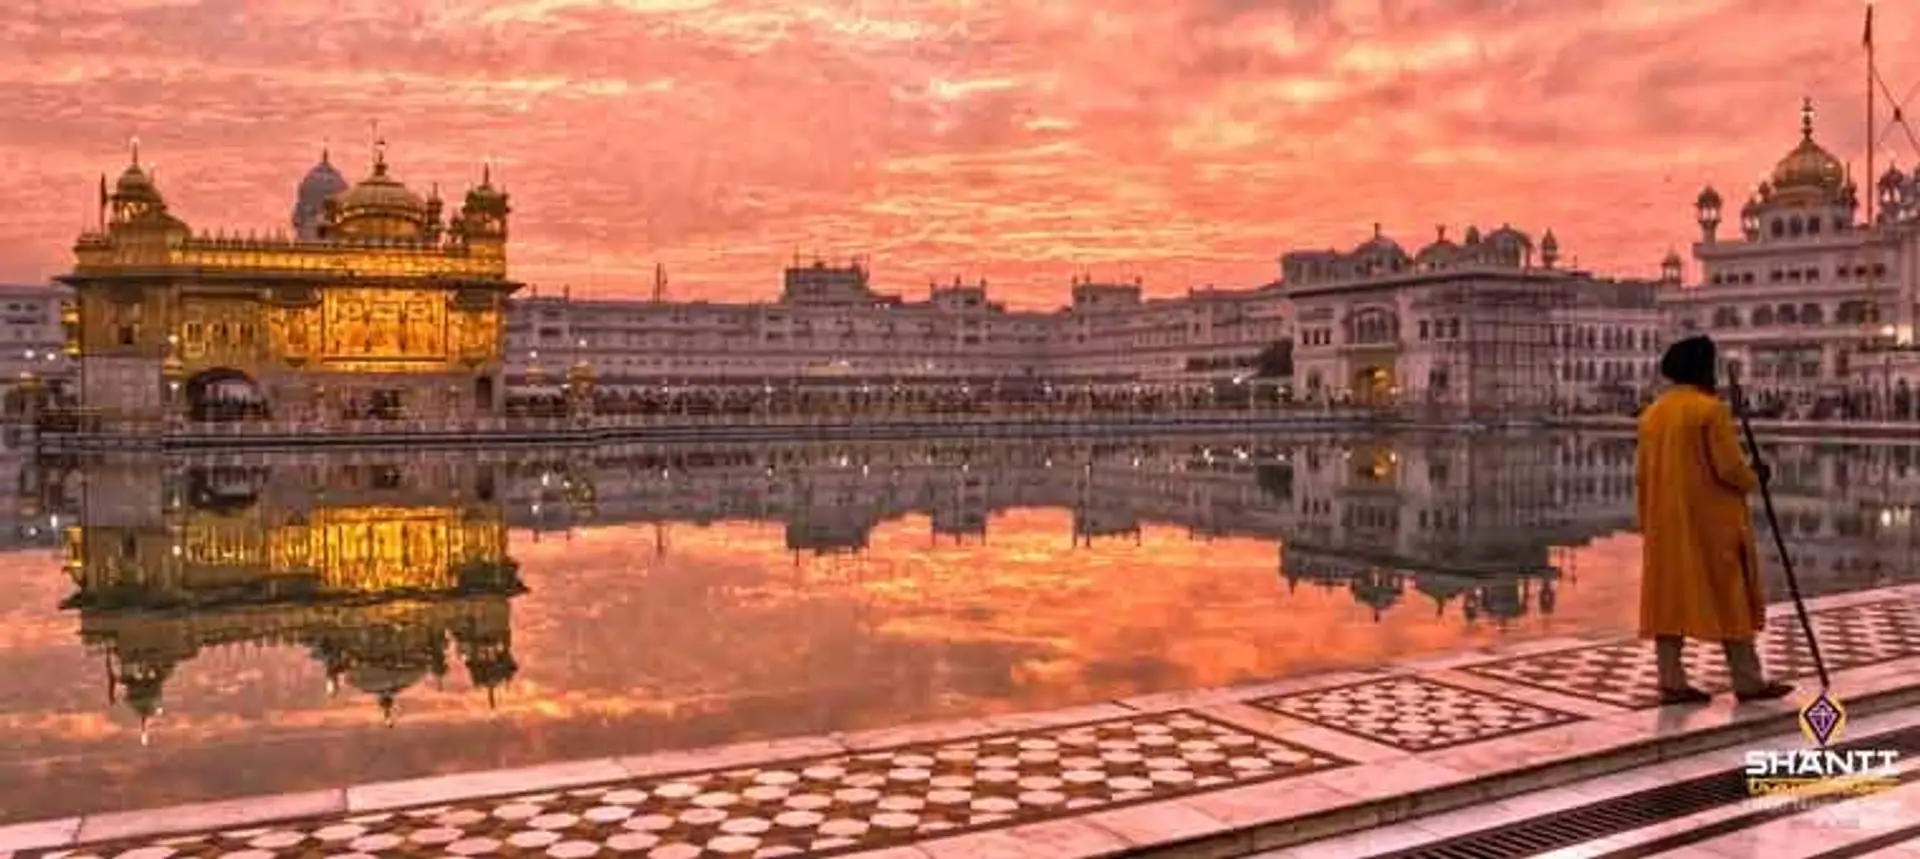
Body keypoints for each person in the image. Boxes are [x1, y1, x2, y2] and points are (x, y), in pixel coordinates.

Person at [1636, 335, 1793, 705]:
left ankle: (1671, 681)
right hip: (1711, 524)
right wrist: (1757, 475)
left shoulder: (1652, 414)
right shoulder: (1710, 410)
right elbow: (1729, 469)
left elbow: (1642, 475)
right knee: (1730, 594)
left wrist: (1647, 521)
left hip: (1665, 522)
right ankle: (1747, 680)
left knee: (1668, 599)